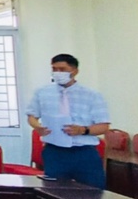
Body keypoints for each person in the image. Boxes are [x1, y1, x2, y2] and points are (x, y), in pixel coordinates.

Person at [25, 53, 110, 188]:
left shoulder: (92, 95)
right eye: (54, 69)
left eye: (62, 69)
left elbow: (104, 126)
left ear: (74, 71)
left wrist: (82, 130)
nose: (58, 73)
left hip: (83, 152)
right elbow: (32, 116)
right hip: (54, 152)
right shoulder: (42, 92)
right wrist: (37, 126)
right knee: (54, 192)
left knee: (93, 193)